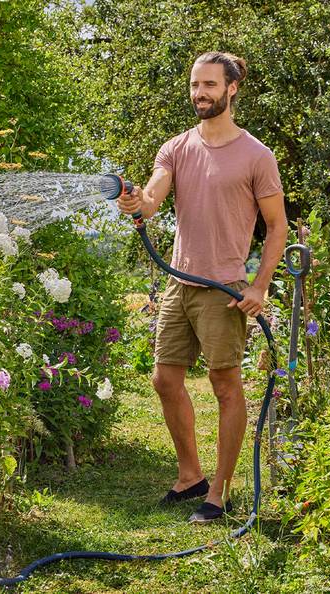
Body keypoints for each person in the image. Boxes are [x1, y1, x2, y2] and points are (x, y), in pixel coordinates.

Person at [117, 51, 287, 524]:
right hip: (179, 281)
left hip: (225, 287)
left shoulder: (257, 156)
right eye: (195, 85)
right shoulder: (175, 148)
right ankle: (190, 474)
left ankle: (222, 488)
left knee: (225, 384)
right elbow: (151, 201)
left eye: (210, 85)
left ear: (232, 89)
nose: (200, 94)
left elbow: (277, 228)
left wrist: (260, 285)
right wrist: (134, 200)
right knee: (164, 379)